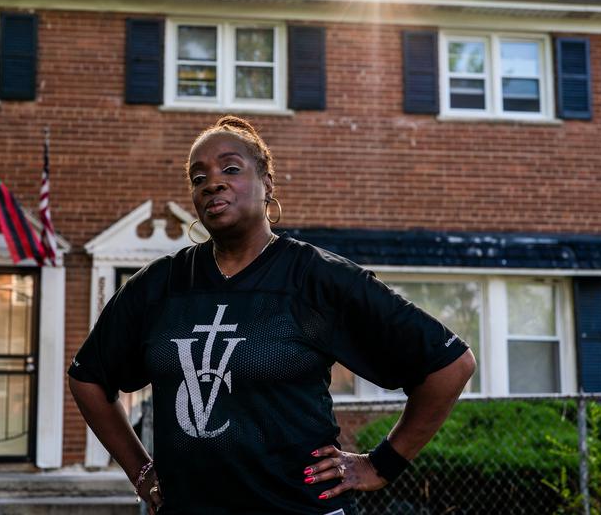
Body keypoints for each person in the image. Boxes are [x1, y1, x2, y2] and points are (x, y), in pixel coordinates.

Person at [68, 116, 476, 515]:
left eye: (231, 168)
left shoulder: (316, 278)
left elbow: (449, 365)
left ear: (267, 183)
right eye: (198, 177)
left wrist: (381, 463)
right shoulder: (160, 285)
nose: (212, 183)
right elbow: (88, 377)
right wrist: (141, 473)